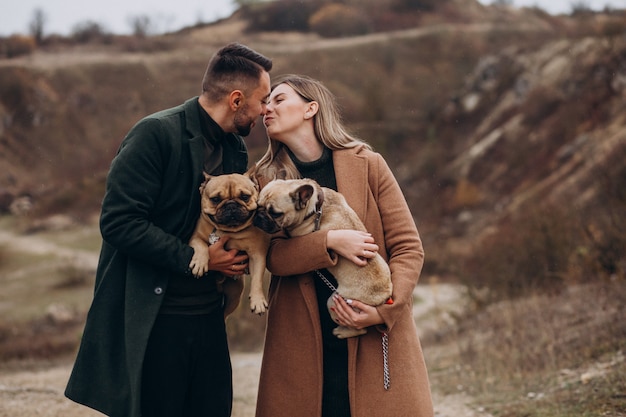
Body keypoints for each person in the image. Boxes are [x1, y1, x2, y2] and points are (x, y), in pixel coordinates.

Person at [64, 43, 272, 417]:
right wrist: (200, 259)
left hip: (208, 313)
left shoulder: (235, 150)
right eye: (263, 100)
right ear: (237, 99)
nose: (265, 110)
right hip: (156, 316)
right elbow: (118, 222)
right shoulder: (155, 134)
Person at [250, 74, 434, 417]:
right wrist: (330, 241)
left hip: (372, 331)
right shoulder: (265, 179)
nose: (267, 109)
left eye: (278, 100)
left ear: (310, 109)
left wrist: (386, 309)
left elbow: (408, 247)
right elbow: (269, 255)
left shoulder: (368, 164)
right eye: (265, 103)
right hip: (300, 333)